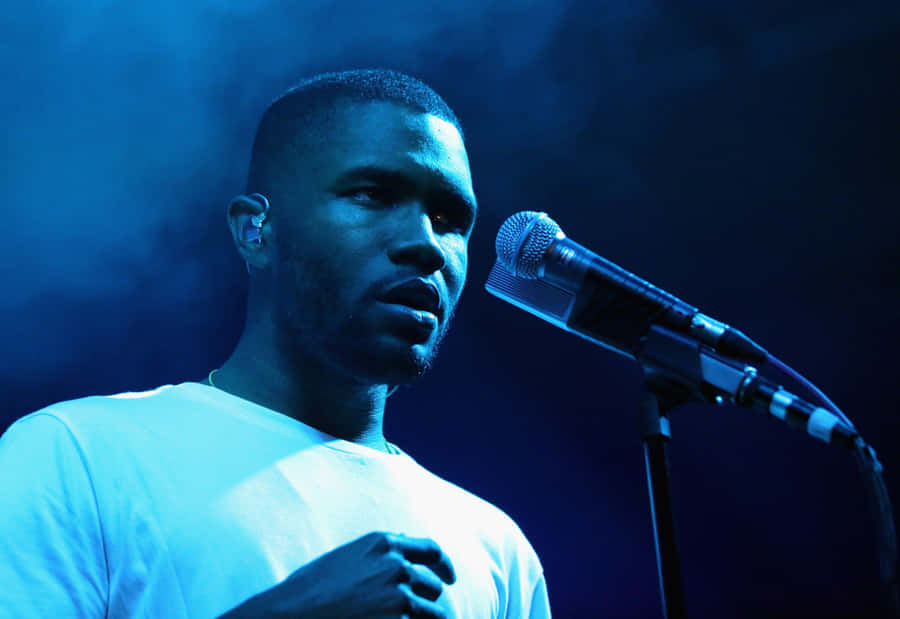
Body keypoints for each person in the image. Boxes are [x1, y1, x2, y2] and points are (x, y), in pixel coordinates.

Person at [0, 69, 551, 618]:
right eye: (372, 195)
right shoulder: (76, 454)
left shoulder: (497, 551)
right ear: (255, 230)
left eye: (449, 220)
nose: (425, 244)